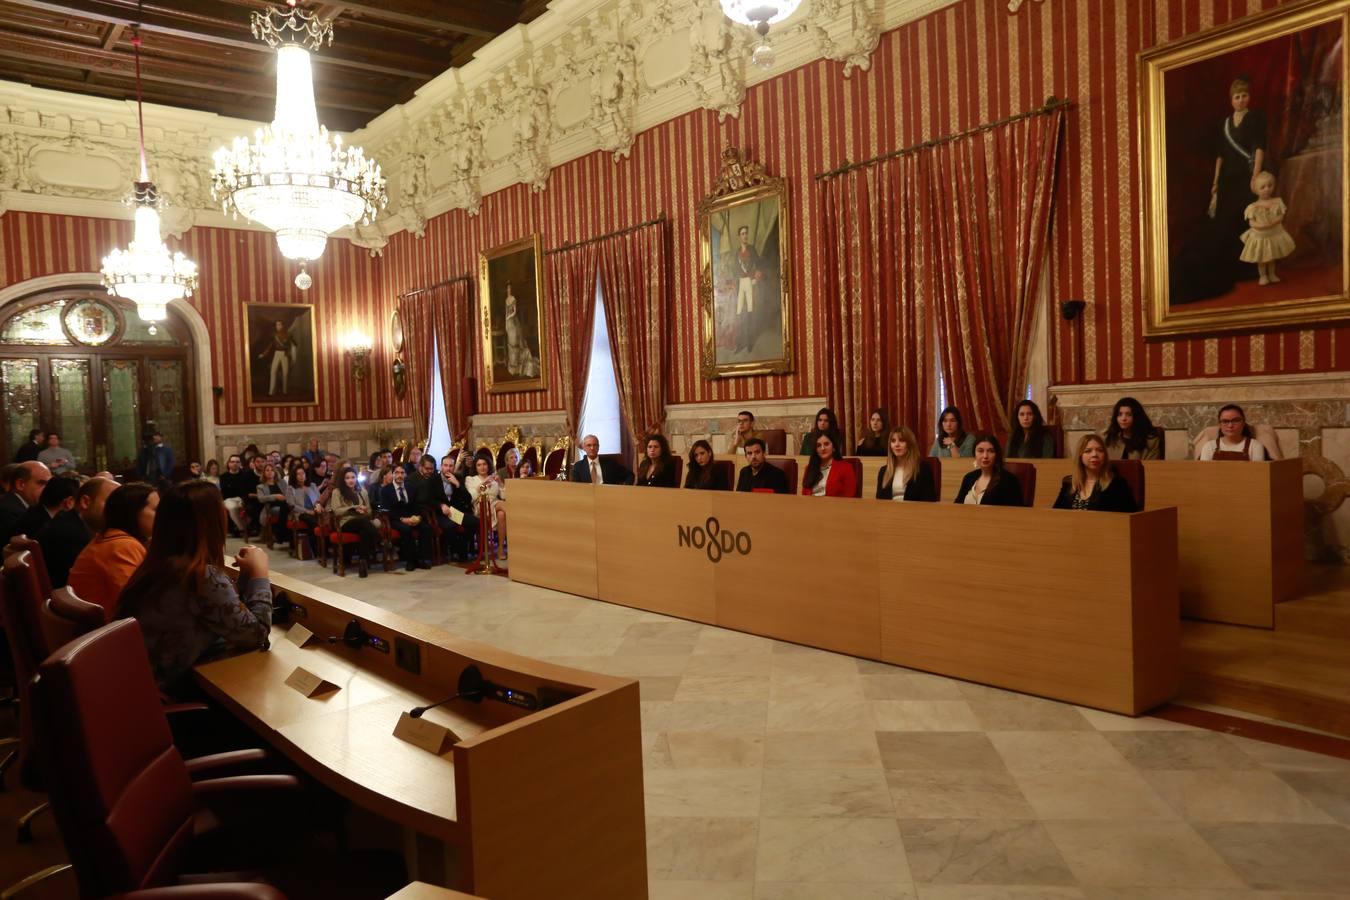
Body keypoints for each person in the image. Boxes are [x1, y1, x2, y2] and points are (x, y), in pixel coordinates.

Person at [117, 482, 271, 698]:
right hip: (172, 698)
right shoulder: (198, 576)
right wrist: (260, 574)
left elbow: (227, 615)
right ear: (210, 522)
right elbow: (256, 635)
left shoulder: (159, 564)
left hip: (141, 691)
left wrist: (246, 575)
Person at [68, 482, 158, 618]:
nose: (161, 515)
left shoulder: (114, 539)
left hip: (104, 630)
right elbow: (138, 604)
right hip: (108, 633)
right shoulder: (121, 546)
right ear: (133, 512)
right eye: (156, 509)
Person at [1053, 433, 1138, 511]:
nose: (1094, 454)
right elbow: (1055, 515)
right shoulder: (1069, 483)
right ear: (1080, 456)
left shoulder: (1117, 484)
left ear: (1105, 455)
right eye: (1088, 451)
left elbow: (1131, 517)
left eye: (1100, 450)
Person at [1240, 170, 1295, 285]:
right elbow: (1251, 222)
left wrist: (1273, 222)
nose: (1267, 189)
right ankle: (1263, 276)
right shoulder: (1253, 207)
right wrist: (1260, 225)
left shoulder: (1277, 201)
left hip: (1274, 233)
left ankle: (1272, 274)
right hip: (1261, 236)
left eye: (1270, 185)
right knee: (1262, 259)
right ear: (1256, 190)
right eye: (1263, 187)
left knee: (1272, 256)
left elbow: (1280, 216)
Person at [425, 454, 478, 561]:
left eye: (450, 466)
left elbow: (468, 498)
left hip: (455, 513)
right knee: (451, 526)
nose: (448, 468)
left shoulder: (458, 478)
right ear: (441, 466)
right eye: (445, 465)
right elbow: (428, 500)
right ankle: (457, 552)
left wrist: (457, 484)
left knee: (475, 522)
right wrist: (440, 505)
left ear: (454, 467)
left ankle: (462, 550)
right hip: (441, 514)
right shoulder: (433, 480)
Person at [329, 466, 380, 578]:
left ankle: (362, 562)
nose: (351, 480)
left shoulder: (362, 491)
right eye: (347, 478)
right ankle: (378, 539)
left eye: (353, 477)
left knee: (364, 531)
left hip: (362, 521)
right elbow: (336, 511)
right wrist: (352, 508)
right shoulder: (337, 492)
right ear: (343, 479)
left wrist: (364, 511)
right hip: (346, 522)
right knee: (365, 524)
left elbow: (369, 511)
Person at [380, 464, 434, 571]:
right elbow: (386, 510)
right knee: (406, 530)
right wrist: (402, 519)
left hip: (412, 516)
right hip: (396, 519)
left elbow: (417, 505)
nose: (400, 475)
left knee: (426, 528)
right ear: (393, 474)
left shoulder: (411, 487)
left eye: (402, 473)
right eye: (397, 473)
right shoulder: (386, 490)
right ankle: (411, 560)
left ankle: (423, 559)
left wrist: (418, 517)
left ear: (405, 474)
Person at [953, 434, 1024, 506]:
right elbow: (957, 506)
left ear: (997, 454)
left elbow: (1015, 513)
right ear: (974, 454)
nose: (985, 456)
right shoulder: (969, 478)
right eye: (980, 451)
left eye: (991, 451)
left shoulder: (1009, 481)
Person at [876, 426, 936, 502]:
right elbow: (879, 501)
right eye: (893, 441)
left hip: (914, 512)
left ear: (910, 444)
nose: (896, 444)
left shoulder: (923, 469)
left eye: (901, 440)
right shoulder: (883, 471)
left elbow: (929, 500)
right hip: (889, 512)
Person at [465, 455, 508, 562]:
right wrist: (484, 484)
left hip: (494, 503)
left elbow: (504, 496)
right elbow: (471, 497)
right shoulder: (470, 479)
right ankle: (520, 523)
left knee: (502, 514)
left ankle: (501, 549)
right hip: (480, 505)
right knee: (503, 507)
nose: (482, 467)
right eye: (479, 465)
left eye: (484, 464)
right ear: (476, 467)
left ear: (488, 466)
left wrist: (500, 483)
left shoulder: (494, 479)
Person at [0, 461, 51, 543]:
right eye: (42, 483)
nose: (48, 489)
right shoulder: (7, 511)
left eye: (49, 484)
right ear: (20, 484)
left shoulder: (27, 507)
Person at [1198, 403, 1267, 461]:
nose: (1230, 425)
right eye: (1225, 421)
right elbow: (1204, 474)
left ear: (1243, 423)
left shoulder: (1255, 446)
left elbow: (1258, 473)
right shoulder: (1209, 446)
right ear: (1220, 425)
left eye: (1236, 420)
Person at [801, 432, 856, 498]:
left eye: (826, 444)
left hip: (835, 506)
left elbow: (850, 495)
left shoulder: (846, 467)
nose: (822, 448)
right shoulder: (810, 468)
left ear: (834, 447)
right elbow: (805, 494)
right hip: (811, 506)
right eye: (819, 445)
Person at [218, 454, 256, 536]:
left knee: (250, 507)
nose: (235, 463)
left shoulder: (245, 475)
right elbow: (225, 491)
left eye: (237, 462)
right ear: (229, 464)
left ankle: (242, 528)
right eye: (232, 462)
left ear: (240, 464)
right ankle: (243, 529)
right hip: (228, 499)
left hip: (241, 498)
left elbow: (246, 489)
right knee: (233, 508)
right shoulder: (223, 476)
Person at [260, 319, 298, 397]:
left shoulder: (288, 335)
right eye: (277, 325)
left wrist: (291, 353)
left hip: (285, 355)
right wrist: (263, 354)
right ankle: (271, 392)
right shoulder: (274, 335)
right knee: (273, 372)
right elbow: (270, 346)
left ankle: (285, 392)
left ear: (283, 325)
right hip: (276, 354)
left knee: (285, 373)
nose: (278, 326)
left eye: (279, 325)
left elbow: (294, 345)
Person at [255, 462, 289, 544]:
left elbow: (288, 493)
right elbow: (261, 499)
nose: (270, 472)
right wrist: (275, 496)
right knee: (284, 508)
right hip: (271, 507)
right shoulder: (260, 486)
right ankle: (281, 534)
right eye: (267, 470)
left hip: (285, 504)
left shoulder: (282, 482)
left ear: (275, 472)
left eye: (272, 470)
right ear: (264, 473)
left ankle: (281, 534)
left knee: (286, 507)